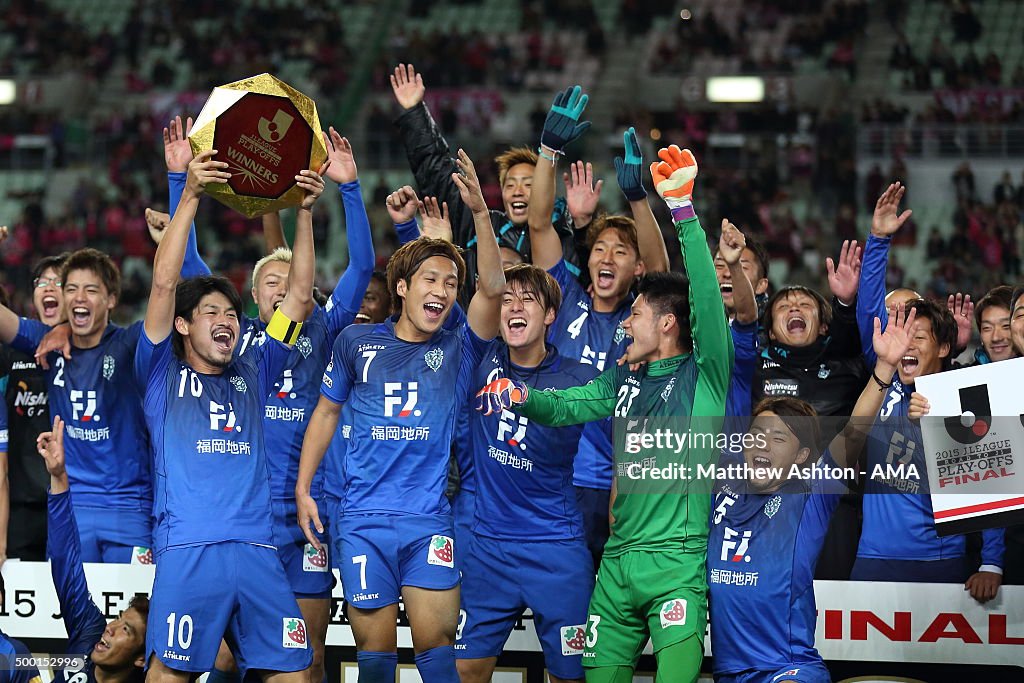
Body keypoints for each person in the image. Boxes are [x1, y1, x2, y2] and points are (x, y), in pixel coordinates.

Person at [478, 145, 732, 682]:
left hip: (675, 567)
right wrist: (526, 397)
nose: (623, 325)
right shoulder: (623, 378)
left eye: (635, 316)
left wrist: (683, 211)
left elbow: (706, 302)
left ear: (666, 325)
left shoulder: (703, 378)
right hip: (616, 565)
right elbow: (573, 402)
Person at [295, 148, 505, 683]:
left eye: (450, 283)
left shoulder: (458, 349)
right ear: (404, 289)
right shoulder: (356, 343)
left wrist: (480, 214)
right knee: (375, 657)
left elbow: (495, 290)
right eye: (430, 280)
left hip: (428, 521)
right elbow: (324, 414)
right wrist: (303, 489)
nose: (442, 290)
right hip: (362, 522)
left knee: (437, 651)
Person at [137, 150, 324, 681]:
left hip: (258, 551)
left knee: (294, 671)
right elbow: (162, 284)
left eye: (230, 313)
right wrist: (189, 194)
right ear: (181, 326)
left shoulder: (257, 367)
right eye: (211, 313)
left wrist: (305, 213)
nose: (226, 321)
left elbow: (300, 299)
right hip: (190, 550)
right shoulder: (159, 374)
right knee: (169, 676)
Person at [708, 307, 918, 683]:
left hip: (787, 670)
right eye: (755, 435)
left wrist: (885, 368)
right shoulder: (721, 490)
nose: (761, 444)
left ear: (802, 456)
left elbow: (853, 434)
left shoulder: (810, 496)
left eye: (777, 438)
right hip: (726, 672)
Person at [529, 88, 670, 571]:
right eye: (599, 248)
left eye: (620, 252)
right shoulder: (563, 296)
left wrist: (636, 197)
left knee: (612, 612)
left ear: (635, 270)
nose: (607, 257)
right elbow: (540, 227)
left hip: (621, 486)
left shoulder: (644, 316)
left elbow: (661, 268)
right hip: (555, 480)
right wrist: (547, 153)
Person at [456, 265, 597, 683]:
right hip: (488, 549)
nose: (514, 307)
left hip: (556, 549)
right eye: (507, 300)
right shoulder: (480, 359)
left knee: (570, 677)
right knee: (464, 670)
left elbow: (625, 442)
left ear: (551, 315)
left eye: (528, 300)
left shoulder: (580, 378)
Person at [390, 64, 598, 303]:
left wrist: (582, 225)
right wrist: (415, 114)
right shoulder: (480, 227)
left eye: (529, 185)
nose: (517, 192)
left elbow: (590, 283)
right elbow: (437, 172)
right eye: (510, 185)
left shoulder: (563, 237)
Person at [0, 246, 153, 564]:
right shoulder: (45, 340)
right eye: (71, 289)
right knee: (69, 611)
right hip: (70, 510)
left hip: (129, 511)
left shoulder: (131, 344)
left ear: (111, 299)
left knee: (134, 614)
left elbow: (167, 291)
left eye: (91, 289)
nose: (79, 297)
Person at [36, 415, 149, 682]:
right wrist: (60, 478)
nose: (110, 628)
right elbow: (65, 562)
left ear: (141, 659)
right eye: (119, 619)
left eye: (126, 630)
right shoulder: (89, 630)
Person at [0, 254, 67, 562]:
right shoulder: (13, 351)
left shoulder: (92, 347)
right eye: (41, 282)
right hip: (20, 511)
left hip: (72, 505)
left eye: (58, 281)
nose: (47, 287)